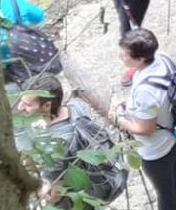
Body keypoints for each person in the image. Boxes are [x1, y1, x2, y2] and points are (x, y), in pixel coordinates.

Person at [15, 74, 127, 209]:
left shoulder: (54, 146)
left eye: (27, 105)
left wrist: (35, 191)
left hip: (93, 192)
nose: (20, 107)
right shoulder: (76, 106)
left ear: (47, 106)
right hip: (112, 171)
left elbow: (54, 195)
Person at [111, 29, 176, 210]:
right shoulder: (161, 58)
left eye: (124, 54)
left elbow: (146, 129)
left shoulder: (146, 92)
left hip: (156, 150)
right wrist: (129, 103)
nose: (120, 56)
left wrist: (118, 118)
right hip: (174, 133)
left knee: (165, 192)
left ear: (140, 59)